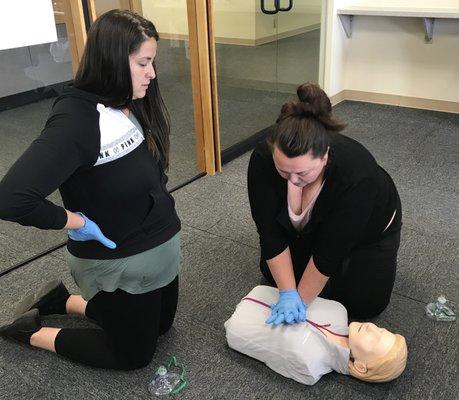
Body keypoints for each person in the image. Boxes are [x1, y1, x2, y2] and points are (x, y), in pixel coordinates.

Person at [0, 9, 181, 370]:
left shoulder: (128, 101)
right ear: (113, 61)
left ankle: (65, 302)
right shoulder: (77, 121)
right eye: (143, 63)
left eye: (153, 61)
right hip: (118, 259)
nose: (152, 73)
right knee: (133, 355)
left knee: (162, 327)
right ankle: (31, 332)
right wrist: (76, 222)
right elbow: (11, 199)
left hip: (157, 244)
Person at [248, 82, 402, 323]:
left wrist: (301, 302)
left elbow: (330, 252)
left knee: (363, 305)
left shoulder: (358, 176)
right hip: (316, 225)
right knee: (272, 275)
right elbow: (268, 231)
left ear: (325, 156)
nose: (293, 180)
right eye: (284, 171)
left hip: (369, 230)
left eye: (303, 173)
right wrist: (289, 293)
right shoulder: (263, 158)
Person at [225, 286, 408, 385]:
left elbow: (271, 357)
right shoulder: (337, 310)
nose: (372, 328)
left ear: (360, 367)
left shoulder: (311, 366)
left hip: (237, 328)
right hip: (261, 292)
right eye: (381, 330)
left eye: (374, 340)